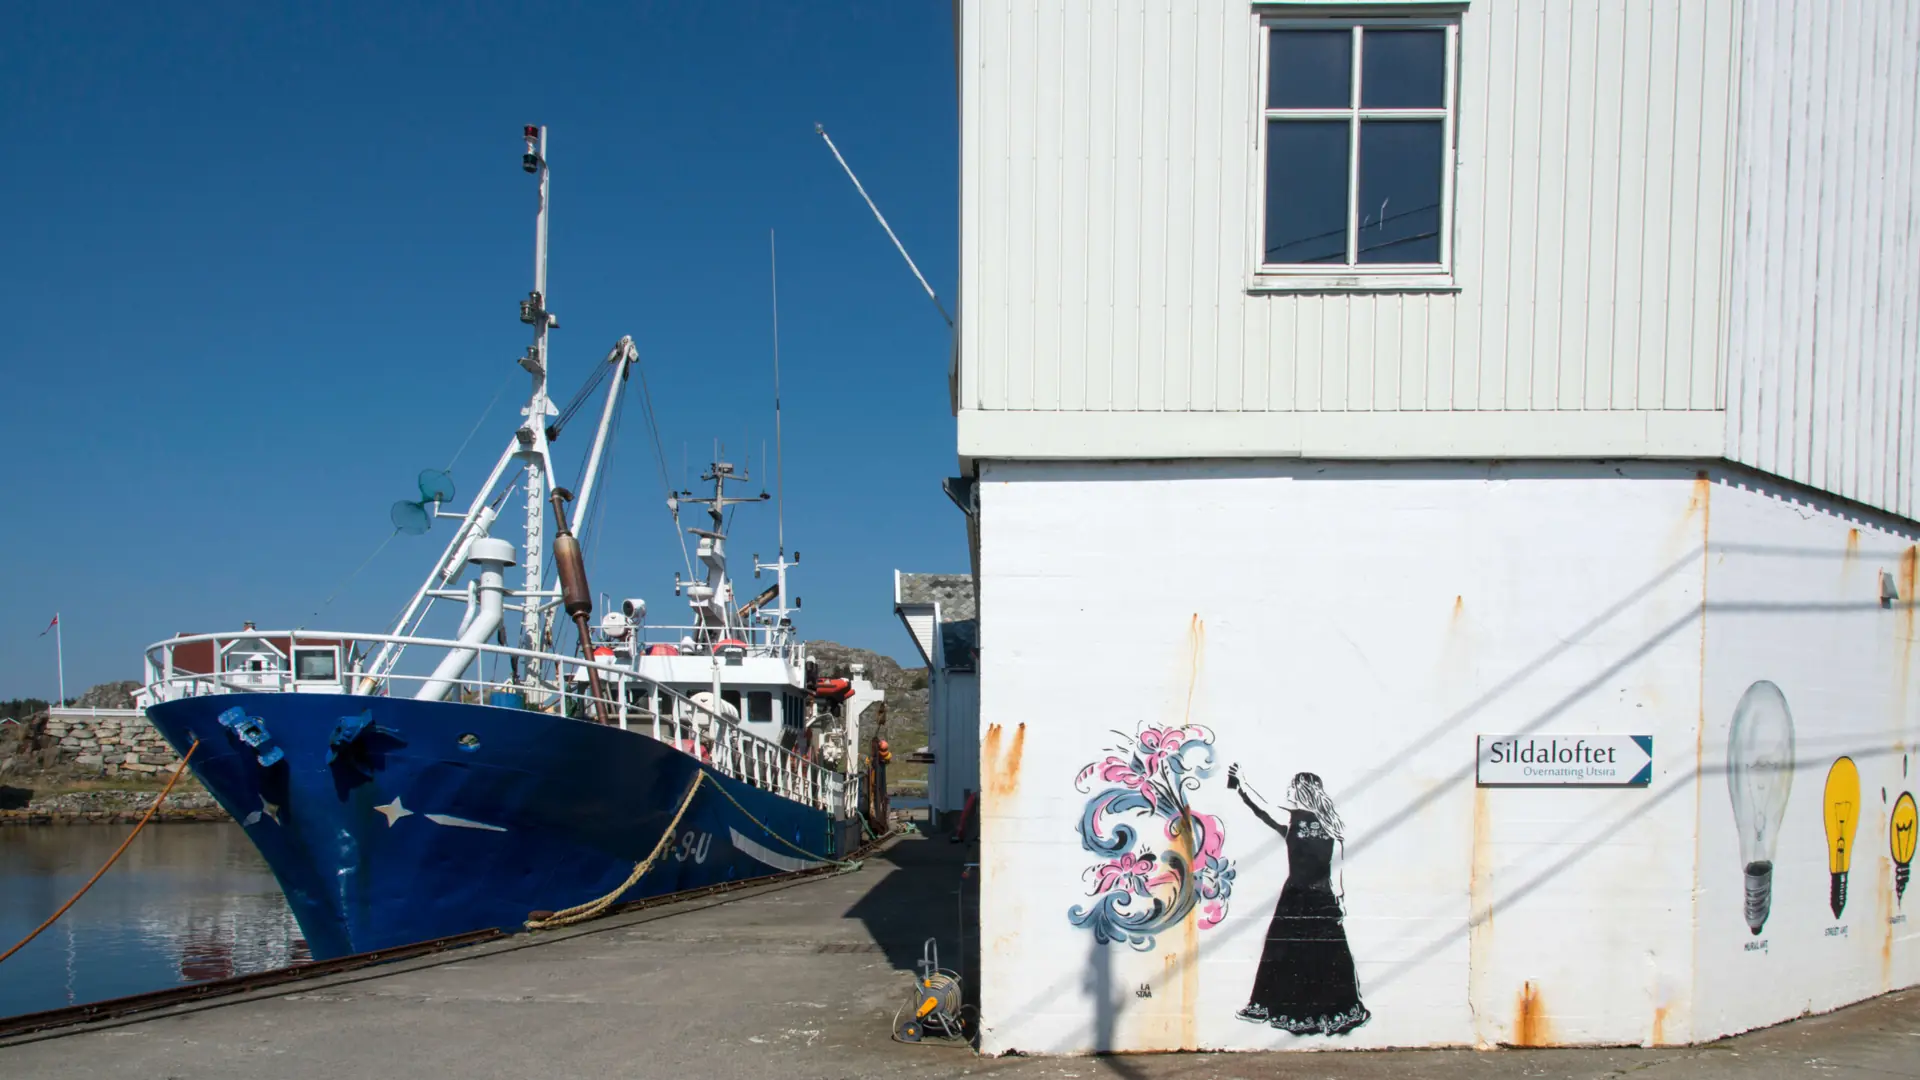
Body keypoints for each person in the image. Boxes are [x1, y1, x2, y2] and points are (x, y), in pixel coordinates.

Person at [1227, 763, 1370, 1036]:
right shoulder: (1331, 826)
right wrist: (1340, 900)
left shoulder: (1292, 820)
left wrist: (1242, 784)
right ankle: (1335, 1012)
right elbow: (1337, 869)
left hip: (1295, 897)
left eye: (1292, 787)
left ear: (1302, 790)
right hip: (1323, 898)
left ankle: (1287, 1009)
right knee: (1327, 957)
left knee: (1286, 953)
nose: (1288, 791)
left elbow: (1262, 807)